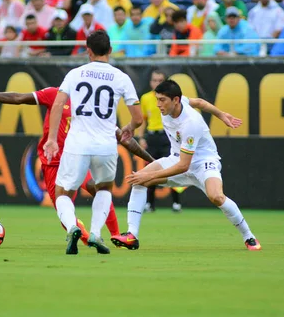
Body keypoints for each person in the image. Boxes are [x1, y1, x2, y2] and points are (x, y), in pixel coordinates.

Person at [0, 82, 151, 250]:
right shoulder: (54, 95)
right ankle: (85, 236)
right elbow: (18, 97)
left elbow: (122, 136)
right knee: (69, 206)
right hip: (53, 162)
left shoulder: (89, 106)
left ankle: (114, 235)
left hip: (75, 158)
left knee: (96, 189)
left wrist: (151, 159)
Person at [111, 80, 262, 252]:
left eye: (162, 100)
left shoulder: (191, 123)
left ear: (175, 100)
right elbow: (200, 102)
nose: (158, 104)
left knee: (217, 197)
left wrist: (150, 176)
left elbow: (184, 166)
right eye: (157, 99)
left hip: (203, 163)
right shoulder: (176, 104)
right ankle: (132, 235)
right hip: (176, 158)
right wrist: (221, 115)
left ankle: (248, 236)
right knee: (138, 181)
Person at [42, 30, 144, 255]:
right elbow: (138, 118)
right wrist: (129, 128)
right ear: (110, 50)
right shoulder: (121, 77)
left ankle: (71, 227)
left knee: (63, 193)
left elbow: (58, 105)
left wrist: (51, 140)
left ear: (88, 51)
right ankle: (96, 233)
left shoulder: (75, 74)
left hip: (77, 144)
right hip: (106, 145)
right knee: (104, 188)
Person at [137, 70, 183, 212]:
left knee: (173, 168)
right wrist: (141, 137)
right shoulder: (145, 98)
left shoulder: (170, 98)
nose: (157, 83)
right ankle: (150, 204)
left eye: (160, 80)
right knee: (151, 168)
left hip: (167, 136)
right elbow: (143, 120)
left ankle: (176, 203)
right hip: (152, 136)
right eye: (154, 80)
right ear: (150, 82)